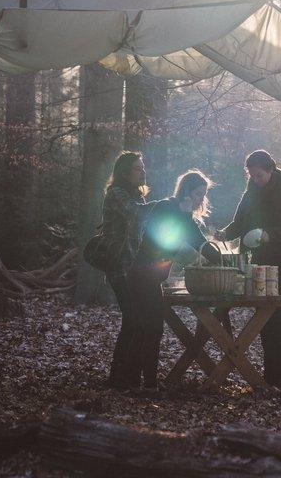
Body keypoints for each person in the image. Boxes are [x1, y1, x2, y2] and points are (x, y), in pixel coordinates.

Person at [126, 169, 222, 396]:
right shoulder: (165, 207)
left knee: (143, 330)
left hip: (150, 275)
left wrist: (225, 261)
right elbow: (164, 238)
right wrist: (185, 215)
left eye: (203, 194)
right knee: (151, 329)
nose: (201, 199)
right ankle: (147, 385)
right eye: (199, 193)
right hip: (142, 273)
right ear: (187, 191)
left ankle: (135, 384)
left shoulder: (185, 215)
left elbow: (199, 241)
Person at [216, 150, 281, 389]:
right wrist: (225, 233)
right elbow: (239, 222)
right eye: (252, 176)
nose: (256, 180)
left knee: (274, 316)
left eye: (259, 175)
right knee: (264, 319)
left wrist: (269, 235)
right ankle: (270, 377)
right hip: (258, 261)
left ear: (271, 170)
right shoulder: (251, 190)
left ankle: (280, 378)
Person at [102, 150, 157, 391]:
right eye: (138, 168)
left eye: (143, 167)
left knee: (134, 321)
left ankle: (126, 376)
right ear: (125, 173)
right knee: (133, 321)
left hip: (135, 268)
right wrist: (167, 205)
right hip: (119, 267)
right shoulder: (116, 194)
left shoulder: (137, 196)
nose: (143, 172)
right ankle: (120, 377)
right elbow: (135, 214)